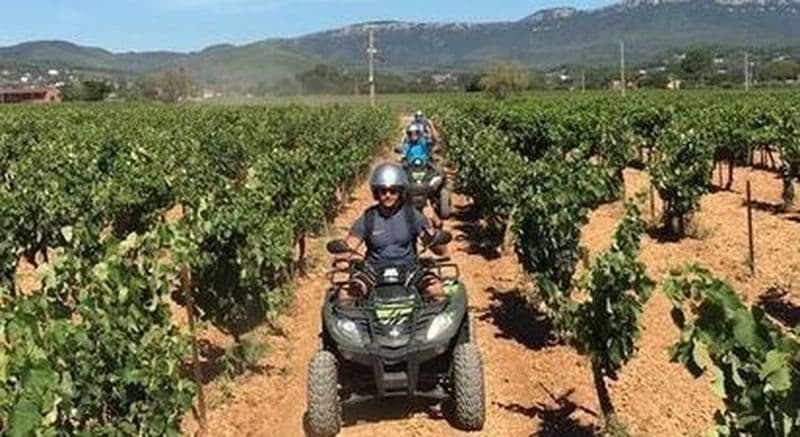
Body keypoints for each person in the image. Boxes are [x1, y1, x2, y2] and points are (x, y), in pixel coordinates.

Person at [335, 163, 446, 305]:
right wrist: (342, 258)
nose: (388, 195)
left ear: (400, 192)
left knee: (436, 290)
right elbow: (349, 245)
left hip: (409, 270)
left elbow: (441, 251)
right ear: (376, 193)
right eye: (383, 191)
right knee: (345, 294)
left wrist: (434, 228)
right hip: (373, 272)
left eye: (393, 191)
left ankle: (431, 326)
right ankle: (353, 326)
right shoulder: (369, 217)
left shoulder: (412, 215)